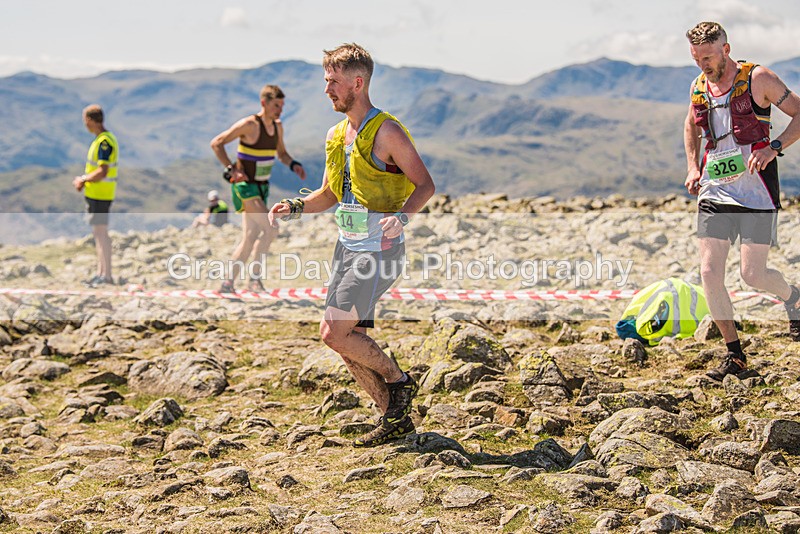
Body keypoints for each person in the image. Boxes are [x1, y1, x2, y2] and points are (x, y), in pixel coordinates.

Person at [269, 43, 435, 447]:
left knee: (334, 332)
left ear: (357, 83)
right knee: (348, 342)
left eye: (333, 82)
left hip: (378, 250)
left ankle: (399, 382)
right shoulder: (337, 134)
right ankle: (393, 420)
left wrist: (402, 216)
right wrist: (294, 206)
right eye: (326, 81)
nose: (327, 90)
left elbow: (425, 185)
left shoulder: (388, 132)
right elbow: (328, 195)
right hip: (348, 247)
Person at [683, 22, 800, 380]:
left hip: (756, 191)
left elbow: (799, 113)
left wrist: (773, 147)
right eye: (696, 58)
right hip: (714, 190)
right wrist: (692, 166)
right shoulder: (699, 86)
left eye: (708, 57)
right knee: (709, 271)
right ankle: (735, 356)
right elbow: (690, 124)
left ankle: (793, 297)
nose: (703, 65)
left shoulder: (759, 78)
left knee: (753, 274)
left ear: (726, 49)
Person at [210, 84, 306, 293]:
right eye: (276, 105)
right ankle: (254, 280)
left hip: (262, 188)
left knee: (250, 237)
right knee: (271, 228)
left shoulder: (277, 127)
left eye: (281, 106)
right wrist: (231, 169)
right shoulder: (250, 125)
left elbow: (281, 153)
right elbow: (217, 143)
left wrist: (293, 165)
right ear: (264, 103)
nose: (279, 110)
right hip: (246, 188)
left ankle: (227, 283)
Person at [72, 104, 119, 287]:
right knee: (98, 233)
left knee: (101, 233)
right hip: (97, 194)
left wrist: (83, 180)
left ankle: (106, 275)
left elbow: (103, 171)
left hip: (100, 194)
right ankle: (101, 273)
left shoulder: (104, 142)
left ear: (91, 120)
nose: (85, 125)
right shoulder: (103, 139)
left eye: (86, 121)